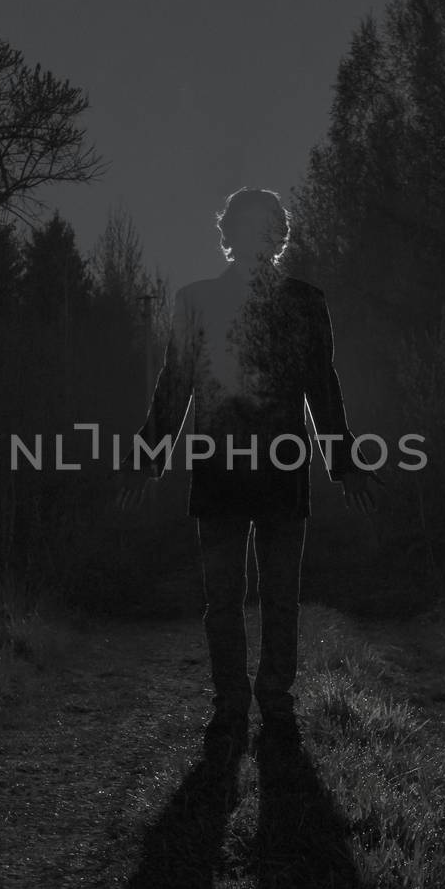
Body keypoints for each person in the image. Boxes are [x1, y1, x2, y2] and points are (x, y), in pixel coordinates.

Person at [122, 187, 374, 758]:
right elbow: (178, 384)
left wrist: (345, 461)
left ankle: (253, 705)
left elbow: (320, 387)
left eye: (264, 232)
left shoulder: (280, 301)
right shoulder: (232, 301)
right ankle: (248, 705)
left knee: (252, 600)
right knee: (247, 600)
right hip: (244, 472)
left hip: (248, 472)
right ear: (234, 236)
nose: (259, 242)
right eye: (251, 231)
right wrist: (148, 454)